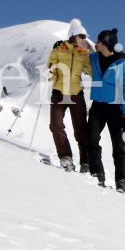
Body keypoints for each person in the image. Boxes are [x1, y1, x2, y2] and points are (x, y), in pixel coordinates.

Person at [87, 28, 125, 192]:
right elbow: (76, 57)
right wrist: (61, 49)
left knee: (118, 145)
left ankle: (121, 180)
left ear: (106, 44)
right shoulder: (93, 58)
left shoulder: (121, 64)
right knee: (91, 140)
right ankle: (96, 175)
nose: (96, 43)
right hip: (97, 106)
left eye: (99, 41)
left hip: (115, 108)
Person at [45, 19, 93, 172]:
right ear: (73, 35)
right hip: (59, 94)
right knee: (55, 125)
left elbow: (92, 72)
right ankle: (65, 157)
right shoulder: (59, 49)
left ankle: (85, 162)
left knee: (81, 129)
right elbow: (51, 65)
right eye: (82, 36)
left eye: (85, 37)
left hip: (76, 94)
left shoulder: (84, 54)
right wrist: (52, 67)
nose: (84, 40)